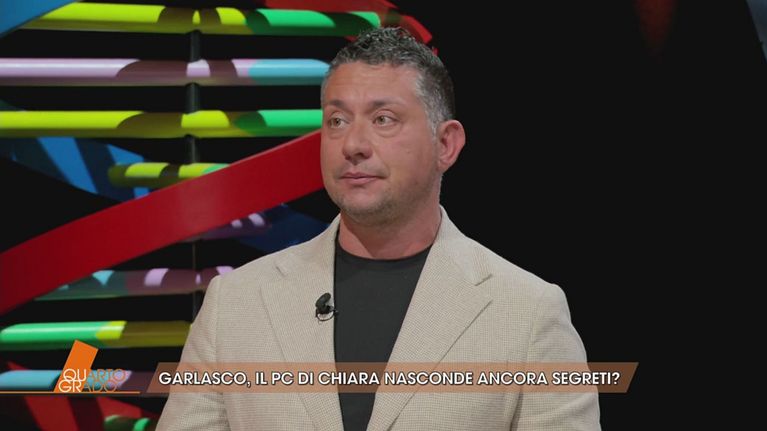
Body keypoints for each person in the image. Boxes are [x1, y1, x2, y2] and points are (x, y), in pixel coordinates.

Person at [157, 27, 600, 431]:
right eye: (337, 121)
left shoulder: (527, 312)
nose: (353, 145)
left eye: (383, 119)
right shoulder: (235, 303)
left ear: (446, 144)